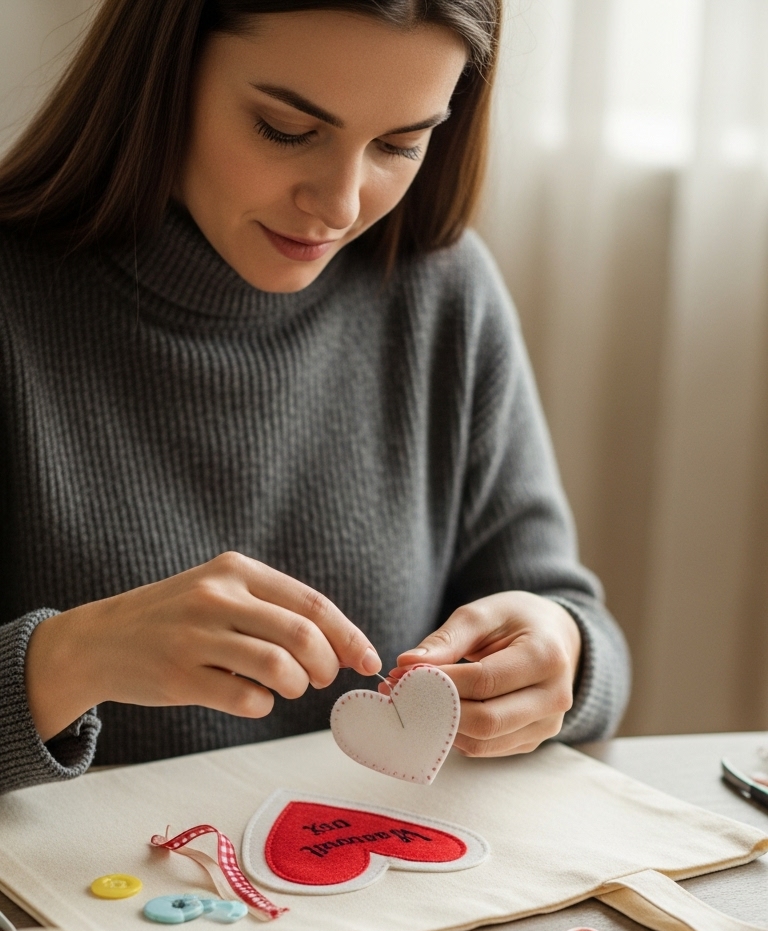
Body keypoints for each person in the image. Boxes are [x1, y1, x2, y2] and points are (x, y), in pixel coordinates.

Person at [0, 0, 629, 797]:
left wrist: (560, 653)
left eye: (400, 144)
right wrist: (67, 660)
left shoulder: (444, 293)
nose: (340, 205)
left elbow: (571, 620)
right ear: (163, 72)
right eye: (286, 129)